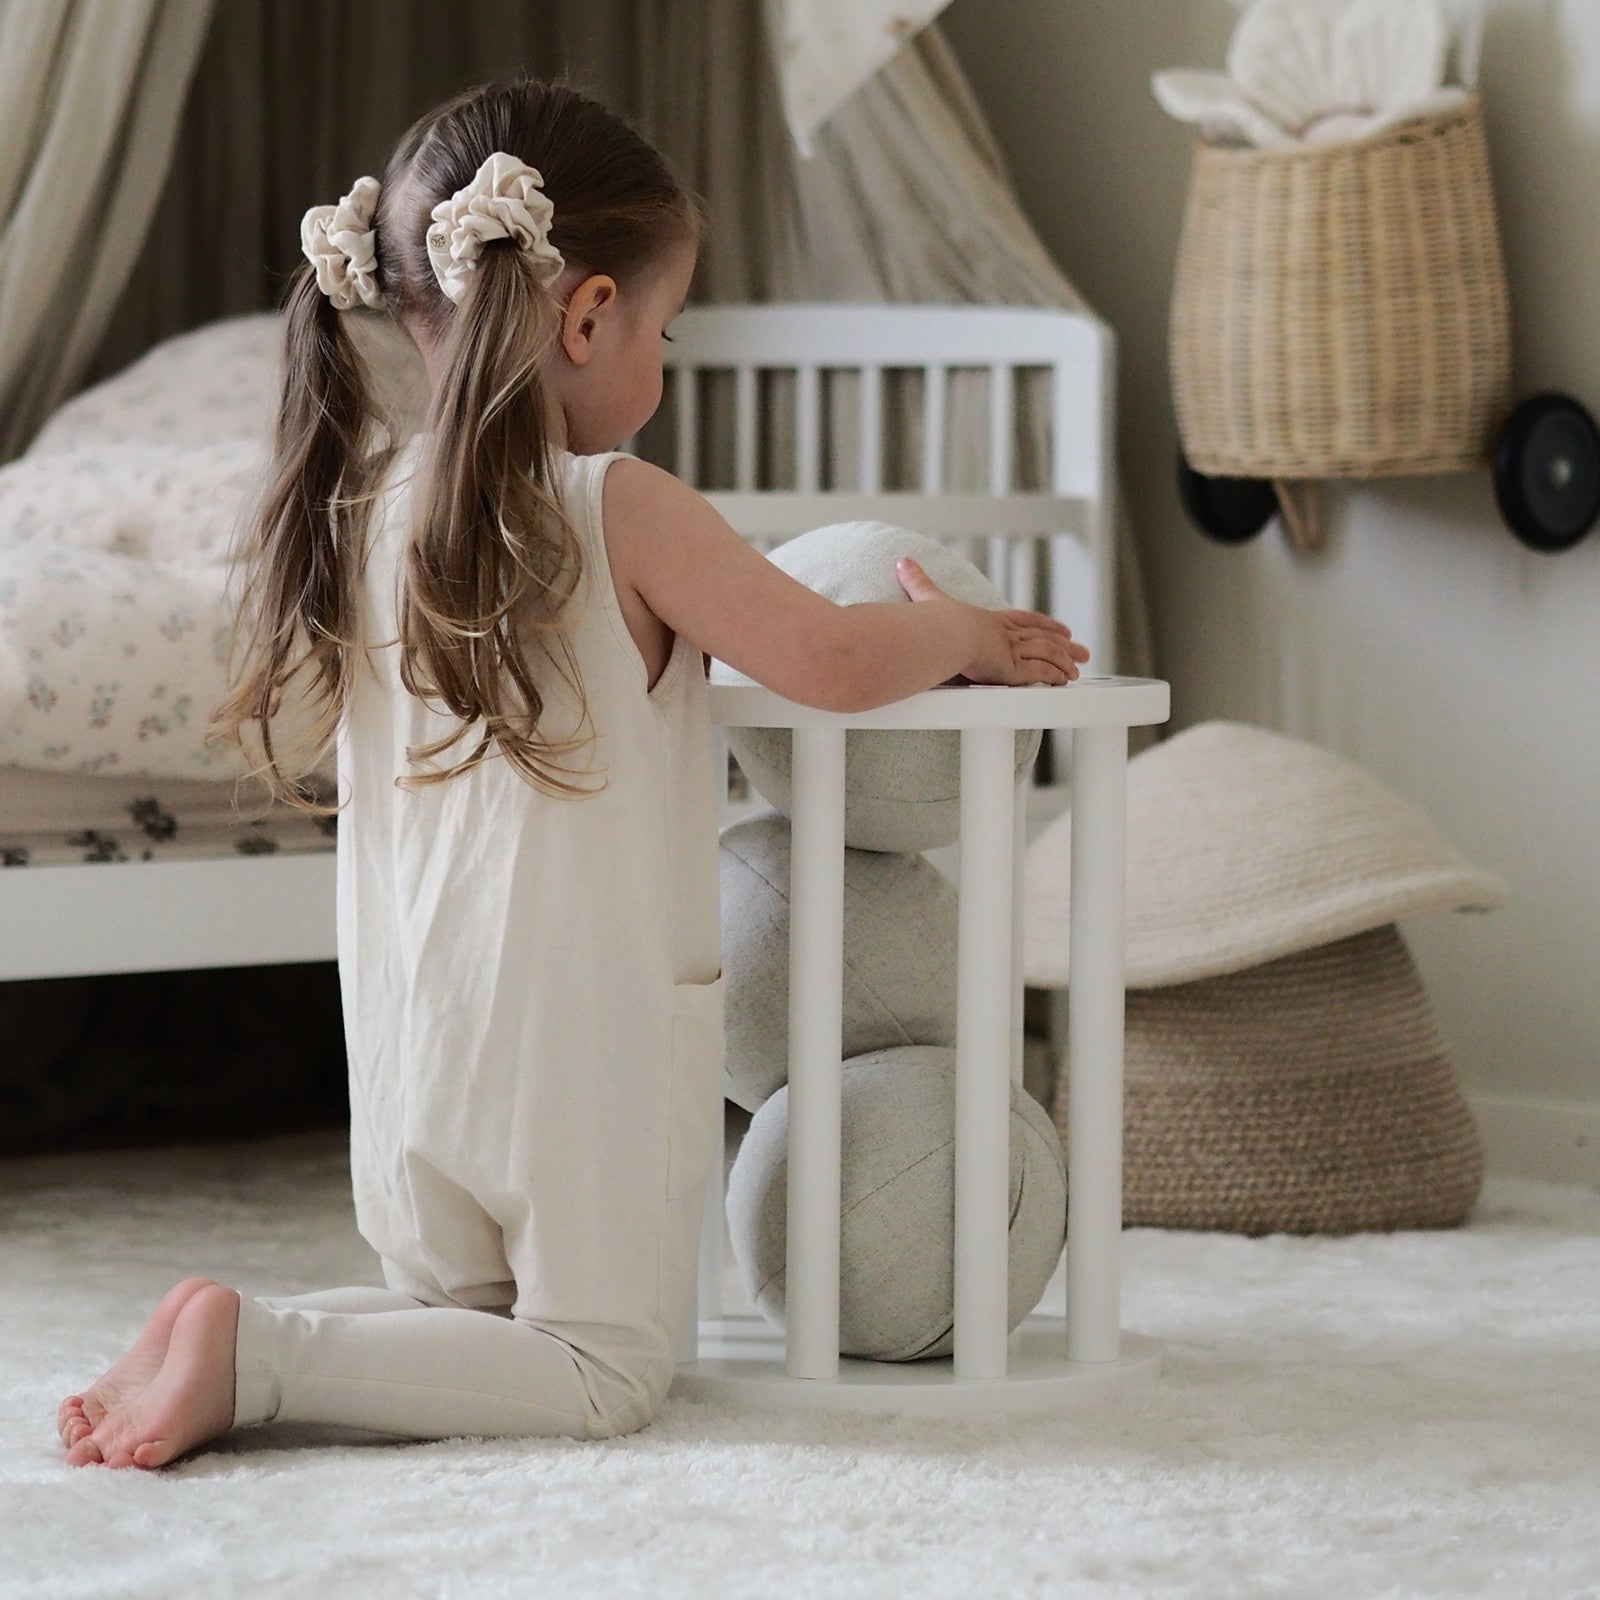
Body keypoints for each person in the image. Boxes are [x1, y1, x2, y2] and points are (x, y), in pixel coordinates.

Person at [56, 75, 1088, 1471]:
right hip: (572, 1049)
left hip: (411, 1034)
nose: (658, 364)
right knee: (603, 1368)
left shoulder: (362, 514)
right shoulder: (623, 509)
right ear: (588, 314)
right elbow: (829, 661)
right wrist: (964, 628)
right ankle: (257, 1352)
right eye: (663, 328)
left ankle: (223, 1329)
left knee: (458, 1315)